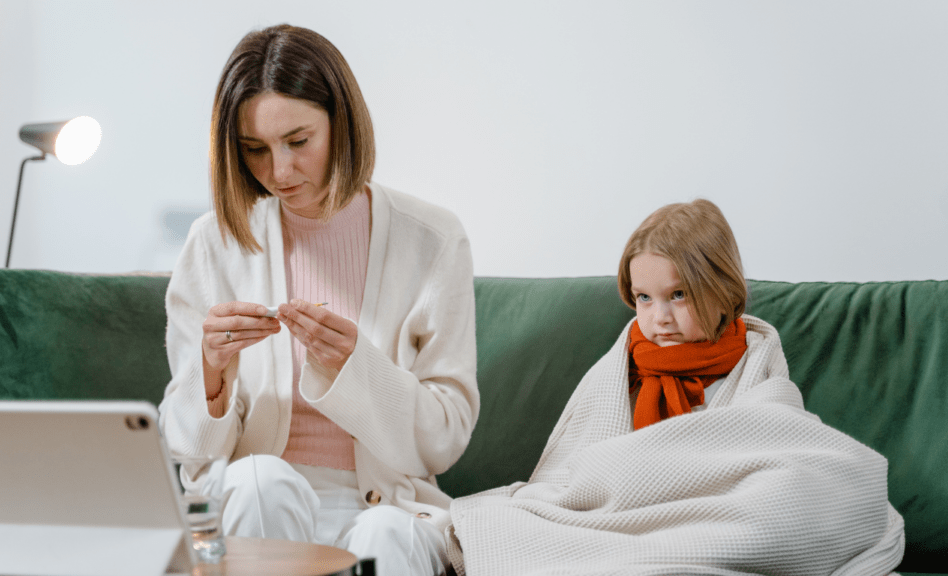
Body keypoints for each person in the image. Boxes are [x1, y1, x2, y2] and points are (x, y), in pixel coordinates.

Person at [158, 24, 478, 576]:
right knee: (261, 480)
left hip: (386, 504)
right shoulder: (214, 243)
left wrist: (360, 368)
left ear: (342, 123)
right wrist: (211, 373)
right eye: (254, 150)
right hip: (255, 501)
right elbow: (190, 451)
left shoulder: (433, 239)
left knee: (385, 534)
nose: (278, 173)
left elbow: (444, 440)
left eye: (298, 142)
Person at [447, 199, 904, 575]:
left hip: (711, 514)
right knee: (520, 519)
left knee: (793, 497)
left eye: (678, 295)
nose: (658, 317)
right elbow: (577, 469)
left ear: (721, 289)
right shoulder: (624, 362)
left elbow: (777, 443)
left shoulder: (755, 356)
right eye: (644, 298)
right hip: (619, 517)